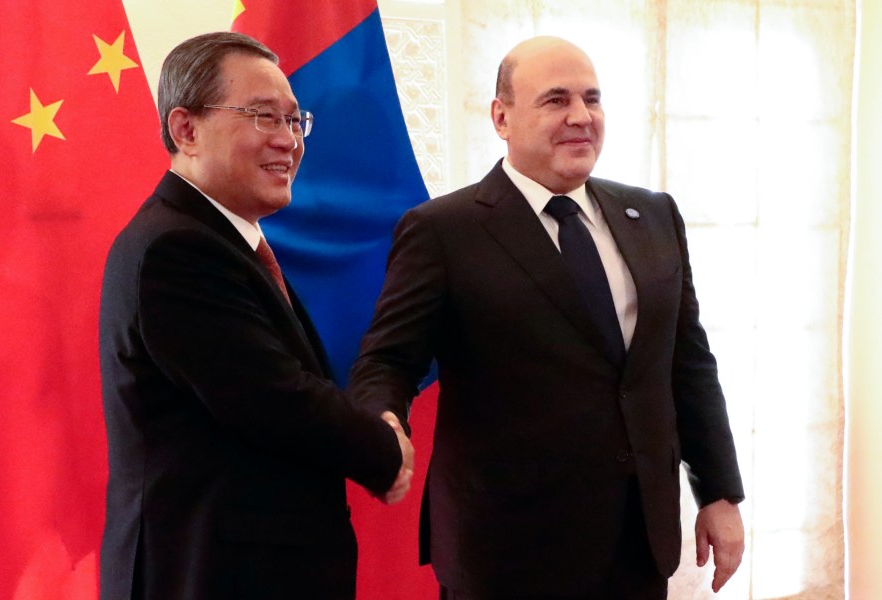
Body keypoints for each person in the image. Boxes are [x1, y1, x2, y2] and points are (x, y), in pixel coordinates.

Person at [348, 35, 744, 598]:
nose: (581, 116)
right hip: (506, 550)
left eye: (592, 98)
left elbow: (688, 364)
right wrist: (383, 418)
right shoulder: (443, 231)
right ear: (501, 116)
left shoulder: (653, 216)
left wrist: (720, 494)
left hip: (638, 541)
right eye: (556, 100)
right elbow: (387, 359)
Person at [98, 31, 413, 600]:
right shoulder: (175, 249)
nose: (288, 141)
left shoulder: (220, 241)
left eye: (296, 122)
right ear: (185, 129)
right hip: (204, 574)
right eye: (264, 117)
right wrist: (381, 447)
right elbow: (274, 399)